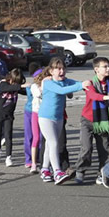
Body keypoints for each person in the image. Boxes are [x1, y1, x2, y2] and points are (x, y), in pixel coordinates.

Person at [38, 57, 91, 185]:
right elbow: (62, 90)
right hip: (45, 117)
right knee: (54, 142)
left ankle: (45, 169)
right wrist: (81, 85)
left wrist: (85, 83)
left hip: (59, 117)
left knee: (50, 145)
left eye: (63, 68)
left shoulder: (65, 81)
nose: (61, 71)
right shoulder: (49, 83)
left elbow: (74, 83)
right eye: (58, 69)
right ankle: (57, 172)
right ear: (51, 71)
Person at [74, 57, 109, 184]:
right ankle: (80, 170)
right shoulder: (90, 83)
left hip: (103, 121)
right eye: (105, 66)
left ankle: (103, 172)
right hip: (88, 119)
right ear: (96, 69)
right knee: (86, 148)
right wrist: (107, 97)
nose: (108, 69)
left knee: (105, 148)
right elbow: (93, 96)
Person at [0, 68, 29, 167]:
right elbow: (8, 88)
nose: (15, 84)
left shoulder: (16, 87)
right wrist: (20, 86)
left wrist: (32, 88)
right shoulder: (3, 84)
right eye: (14, 82)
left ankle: (8, 157)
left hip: (9, 115)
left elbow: (25, 91)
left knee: (8, 136)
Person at [30, 66, 45, 173]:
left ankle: (44, 162)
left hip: (45, 114)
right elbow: (38, 94)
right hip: (36, 113)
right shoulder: (34, 86)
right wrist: (43, 86)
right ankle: (34, 163)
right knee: (36, 138)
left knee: (45, 138)